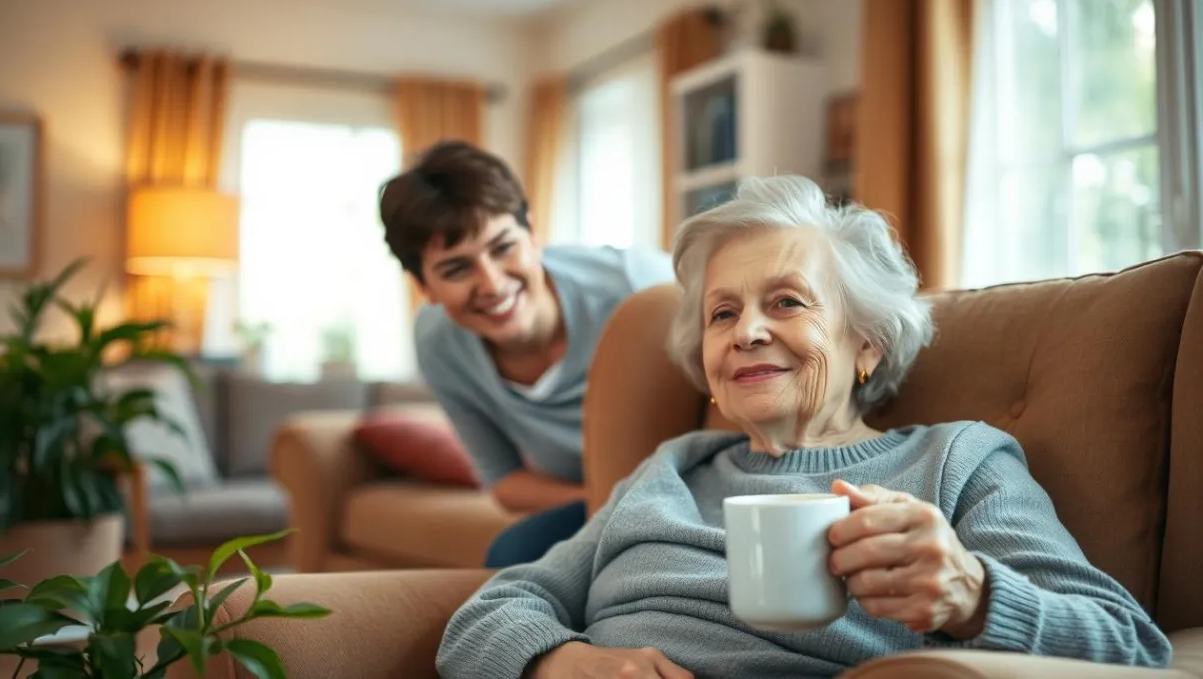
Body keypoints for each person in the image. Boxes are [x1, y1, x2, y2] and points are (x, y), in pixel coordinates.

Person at [434, 175, 1173, 679]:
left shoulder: (955, 461)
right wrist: (559, 661)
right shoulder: (672, 468)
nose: (747, 331)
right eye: (723, 313)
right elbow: (493, 610)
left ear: (867, 342)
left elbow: (1131, 645)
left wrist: (974, 594)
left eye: (787, 301)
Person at [378, 140, 675, 567]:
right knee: (510, 557)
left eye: (503, 248)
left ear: (533, 234)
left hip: (688, 482)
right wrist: (605, 500)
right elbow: (505, 481)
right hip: (595, 499)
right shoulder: (438, 344)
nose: (492, 284)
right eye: (457, 268)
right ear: (424, 286)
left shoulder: (637, 284)